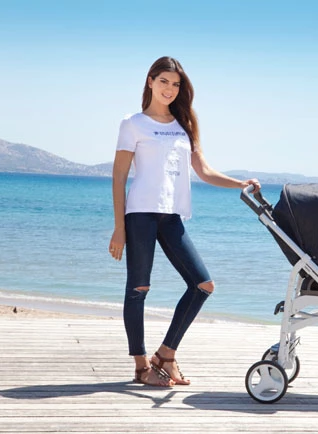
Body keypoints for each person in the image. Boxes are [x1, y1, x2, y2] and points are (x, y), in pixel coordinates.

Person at [108, 56, 261, 387]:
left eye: (176, 84)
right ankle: (141, 366)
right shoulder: (133, 123)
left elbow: (203, 171)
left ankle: (166, 354)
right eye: (164, 81)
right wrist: (119, 228)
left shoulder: (185, 124)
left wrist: (240, 183)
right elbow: (119, 176)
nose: (170, 89)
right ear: (150, 81)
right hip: (140, 214)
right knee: (138, 288)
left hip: (172, 215)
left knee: (203, 285)